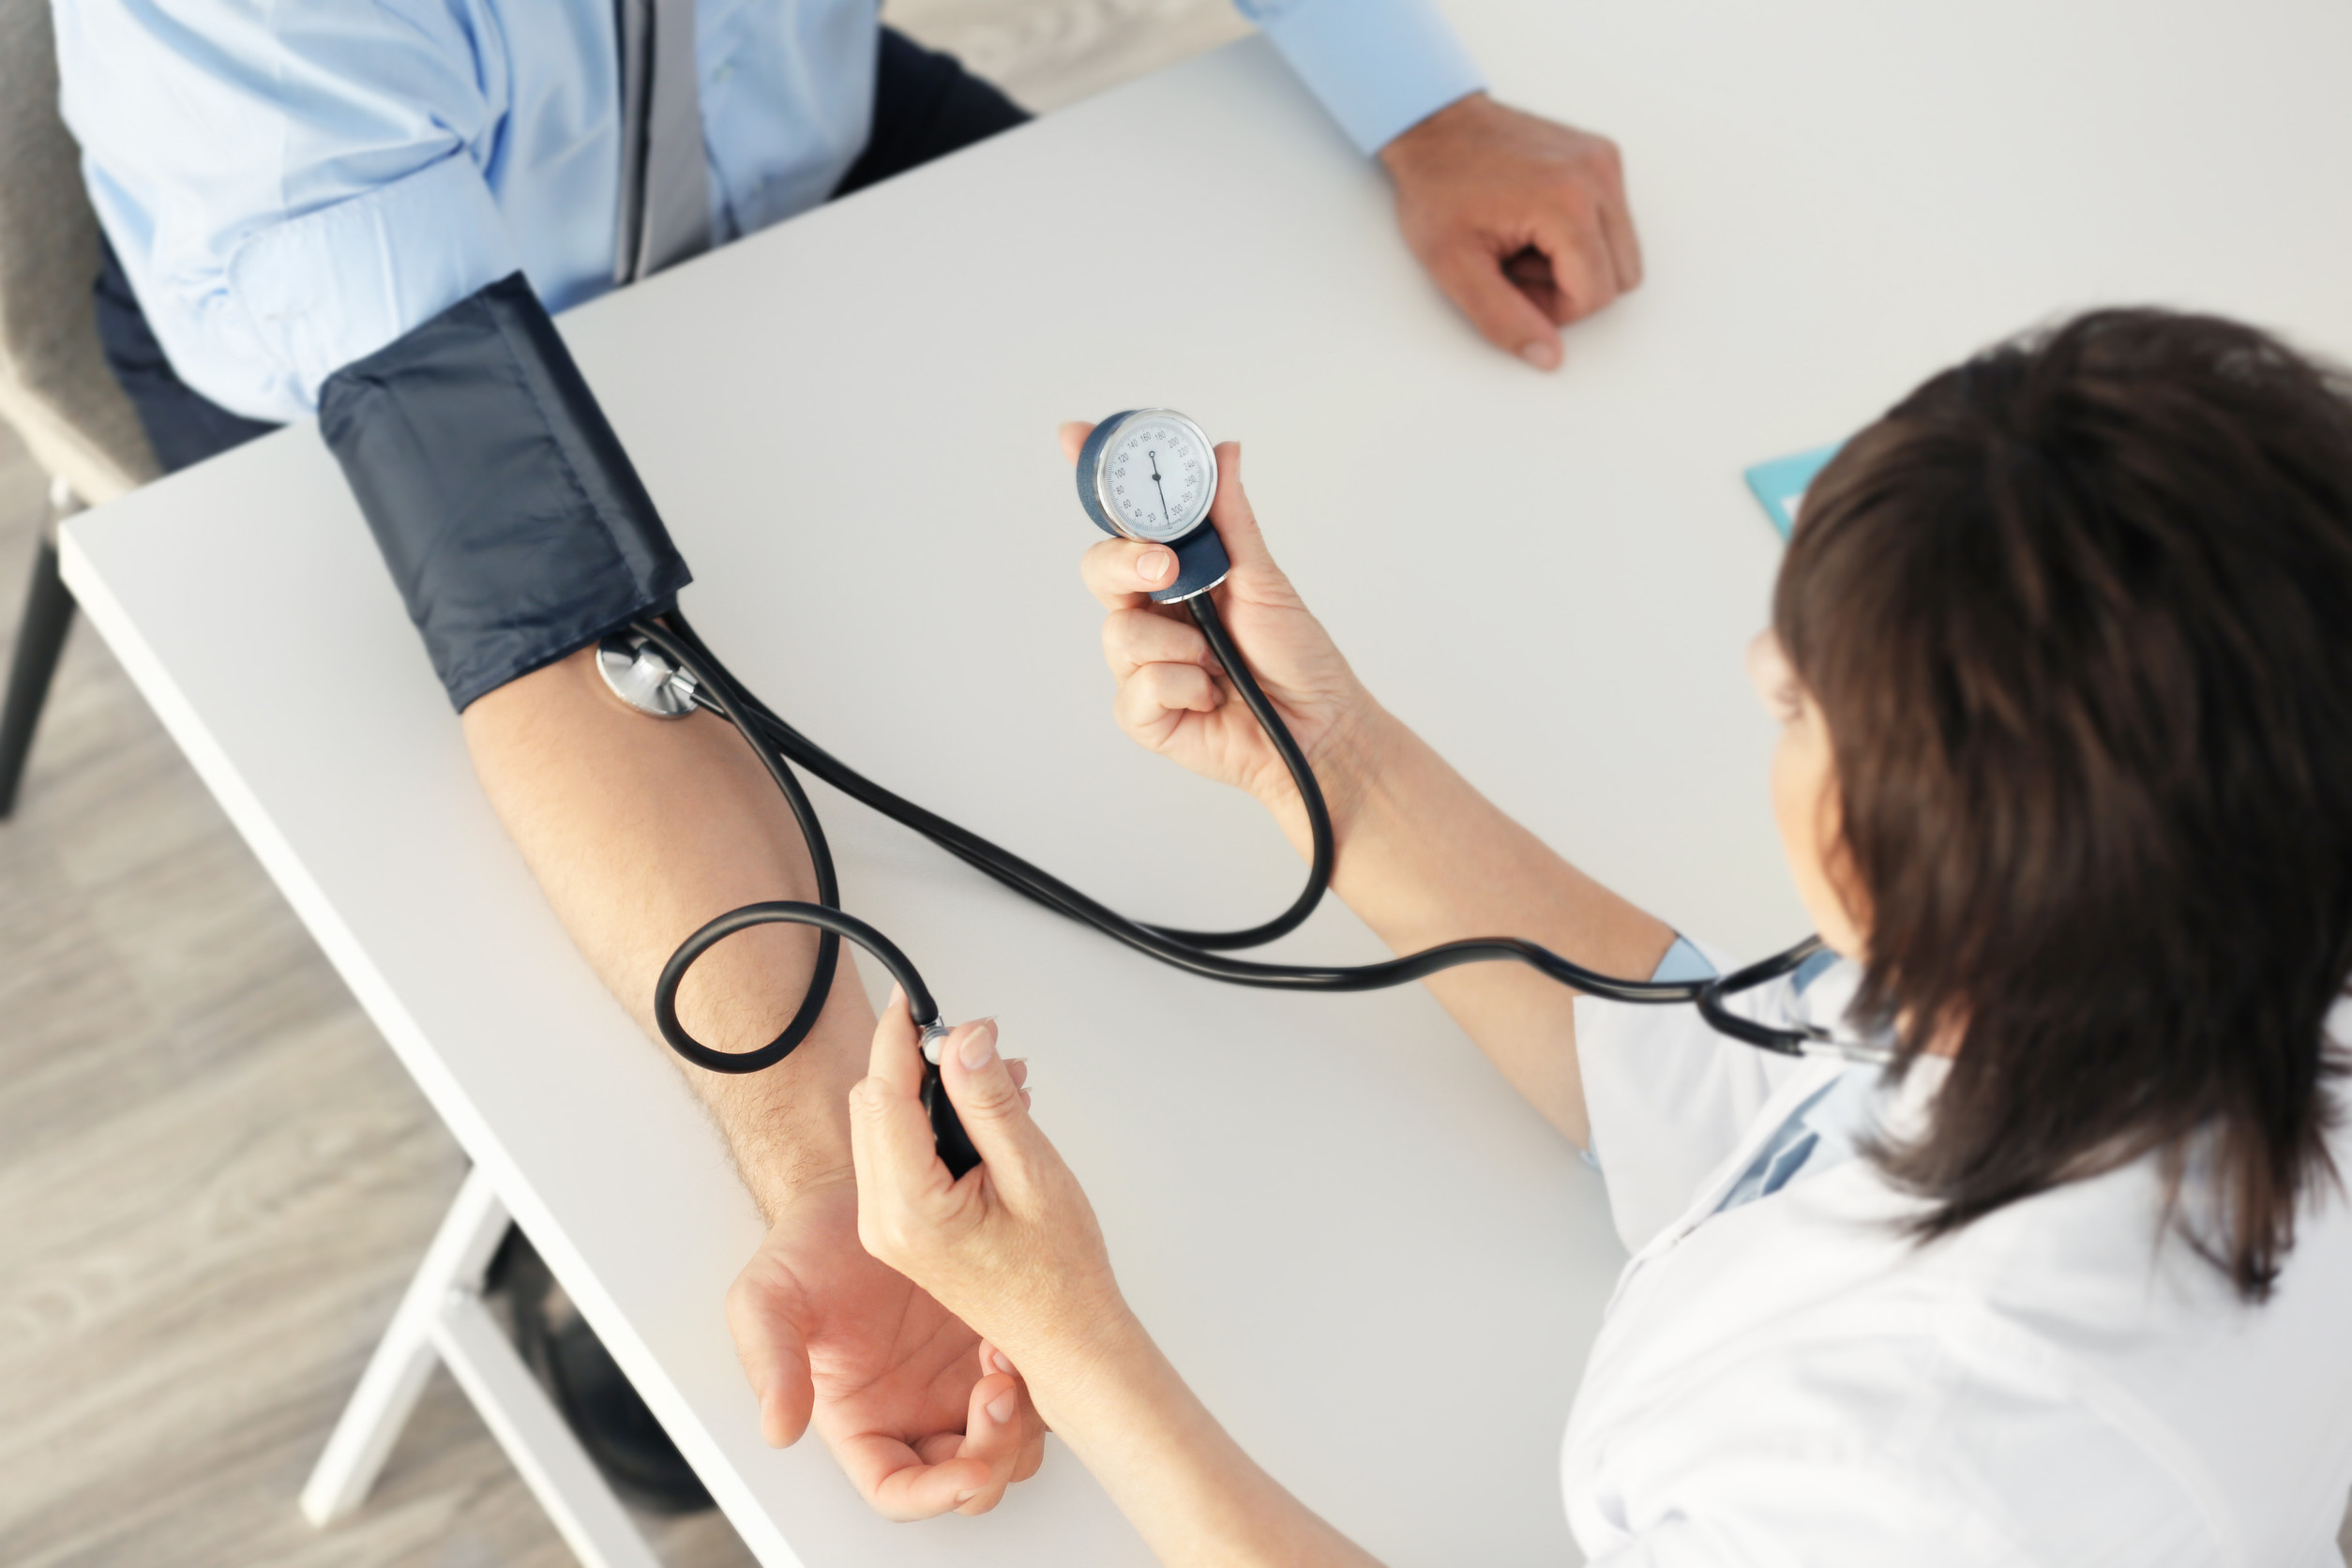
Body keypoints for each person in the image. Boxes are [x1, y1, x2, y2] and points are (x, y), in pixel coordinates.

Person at [51, 0, 1645, 1519]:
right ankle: (585, 1310)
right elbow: (535, 602)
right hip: (367, 358)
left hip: (790, 157)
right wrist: (832, 1171)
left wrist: (1426, 104)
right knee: (571, 916)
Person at [849, 309, 2352, 1561]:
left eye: (1793, 703)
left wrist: (1069, 1335)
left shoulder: (1925, 1473)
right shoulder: (2202, 931)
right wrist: (1332, 761)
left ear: (1916, 858)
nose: (1768, 697)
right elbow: (1761, 1096)